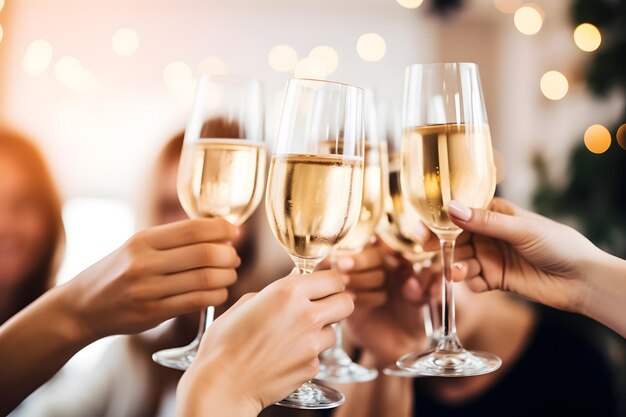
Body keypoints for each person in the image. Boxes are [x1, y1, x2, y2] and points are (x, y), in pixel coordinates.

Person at [334, 199, 622, 417]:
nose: (425, 281)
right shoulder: (378, 365)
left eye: (435, 253)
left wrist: (584, 278)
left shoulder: (574, 363)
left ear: (489, 239)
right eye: (406, 258)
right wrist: (387, 357)